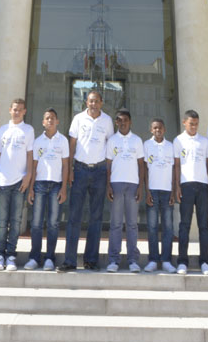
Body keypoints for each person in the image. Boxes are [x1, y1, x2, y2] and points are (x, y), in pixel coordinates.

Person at [62, 90, 113, 271]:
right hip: (80, 170)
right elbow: (72, 145)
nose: (93, 104)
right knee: (74, 217)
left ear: (101, 102)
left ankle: (91, 260)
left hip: (99, 171)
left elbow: (109, 149)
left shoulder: (107, 121)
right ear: (86, 102)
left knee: (96, 218)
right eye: (90, 101)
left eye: (96, 101)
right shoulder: (78, 119)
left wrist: (108, 176)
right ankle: (69, 260)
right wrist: (69, 171)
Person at [0, 98, 34, 271]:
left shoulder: (28, 130)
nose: (17, 112)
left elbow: (30, 155)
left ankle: (10, 256)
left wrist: (28, 175)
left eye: (20, 110)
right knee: (2, 221)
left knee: (15, 221)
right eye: (14, 109)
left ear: (24, 111)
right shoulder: (2, 130)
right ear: (10, 110)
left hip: (19, 182)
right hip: (3, 181)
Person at [25, 108, 69, 271]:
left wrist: (64, 188)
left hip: (56, 185)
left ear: (57, 121)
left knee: (53, 224)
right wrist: (30, 189)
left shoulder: (63, 141)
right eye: (47, 118)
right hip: (39, 185)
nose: (50, 120)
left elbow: (65, 165)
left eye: (53, 118)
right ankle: (34, 257)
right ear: (43, 122)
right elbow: (34, 166)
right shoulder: (38, 141)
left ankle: (50, 257)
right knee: (36, 224)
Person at [172, 109, 208, 276]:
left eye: (196, 124)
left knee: (204, 226)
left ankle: (205, 261)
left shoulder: (204, 141)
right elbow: (177, 166)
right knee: (184, 225)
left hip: (202, 186)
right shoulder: (178, 141)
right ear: (184, 123)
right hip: (186, 186)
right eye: (191, 124)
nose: (194, 127)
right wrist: (177, 187)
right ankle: (182, 261)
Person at [105, 108, 145, 272]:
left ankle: (132, 260)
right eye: (119, 120)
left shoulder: (137, 140)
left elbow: (141, 165)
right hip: (116, 184)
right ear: (116, 122)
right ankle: (113, 260)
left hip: (133, 185)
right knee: (115, 224)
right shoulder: (112, 140)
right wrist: (108, 185)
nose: (122, 123)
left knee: (132, 224)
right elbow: (108, 165)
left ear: (130, 122)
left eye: (125, 120)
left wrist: (141, 187)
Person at [143, 117, 177, 273]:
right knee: (152, 227)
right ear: (151, 130)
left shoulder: (171, 146)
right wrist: (147, 191)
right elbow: (145, 170)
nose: (158, 130)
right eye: (155, 128)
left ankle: (166, 260)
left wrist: (173, 191)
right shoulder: (146, 145)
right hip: (153, 191)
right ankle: (153, 259)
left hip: (167, 191)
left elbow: (174, 170)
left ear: (164, 129)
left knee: (168, 227)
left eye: (160, 128)